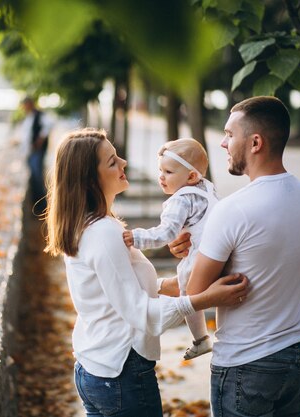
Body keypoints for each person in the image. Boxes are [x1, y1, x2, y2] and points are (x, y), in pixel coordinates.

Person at [44, 127, 249, 417]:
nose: (124, 163)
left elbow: (117, 290)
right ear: (91, 179)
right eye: (112, 161)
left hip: (99, 367)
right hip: (120, 373)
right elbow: (141, 313)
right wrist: (204, 299)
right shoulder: (102, 233)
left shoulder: (98, 224)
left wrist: (171, 285)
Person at [172, 96, 300, 416]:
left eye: (229, 134)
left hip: (247, 362)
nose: (223, 143)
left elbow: (196, 290)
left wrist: (189, 255)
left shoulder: (233, 210)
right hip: (298, 355)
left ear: (255, 142)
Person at [122, 138, 219, 360]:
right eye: (160, 170)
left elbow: (165, 233)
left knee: (187, 295)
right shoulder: (207, 189)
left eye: (168, 171)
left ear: (192, 176)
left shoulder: (180, 201)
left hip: (197, 258)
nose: (161, 177)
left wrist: (136, 237)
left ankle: (201, 339)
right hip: (218, 252)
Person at [19, 96, 52, 213]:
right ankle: (37, 204)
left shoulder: (39, 115)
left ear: (30, 104)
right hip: (30, 151)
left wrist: (40, 140)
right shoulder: (29, 116)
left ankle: (42, 205)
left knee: (37, 177)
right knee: (34, 177)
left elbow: (48, 126)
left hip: (36, 151)